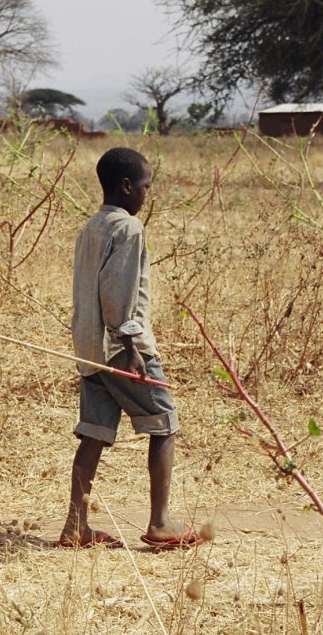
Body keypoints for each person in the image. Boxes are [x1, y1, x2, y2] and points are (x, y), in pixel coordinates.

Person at [58, 146, 196, 550]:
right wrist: (130, 344)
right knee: (165, 423)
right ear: (126, 186)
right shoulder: (128, 228)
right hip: (121, 346)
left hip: (88, 347)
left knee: (94, 433)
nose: (146, 193)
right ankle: (161, 522)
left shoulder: (91, 227)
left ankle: (75, 525)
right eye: (145, 185)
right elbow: (117, 294)